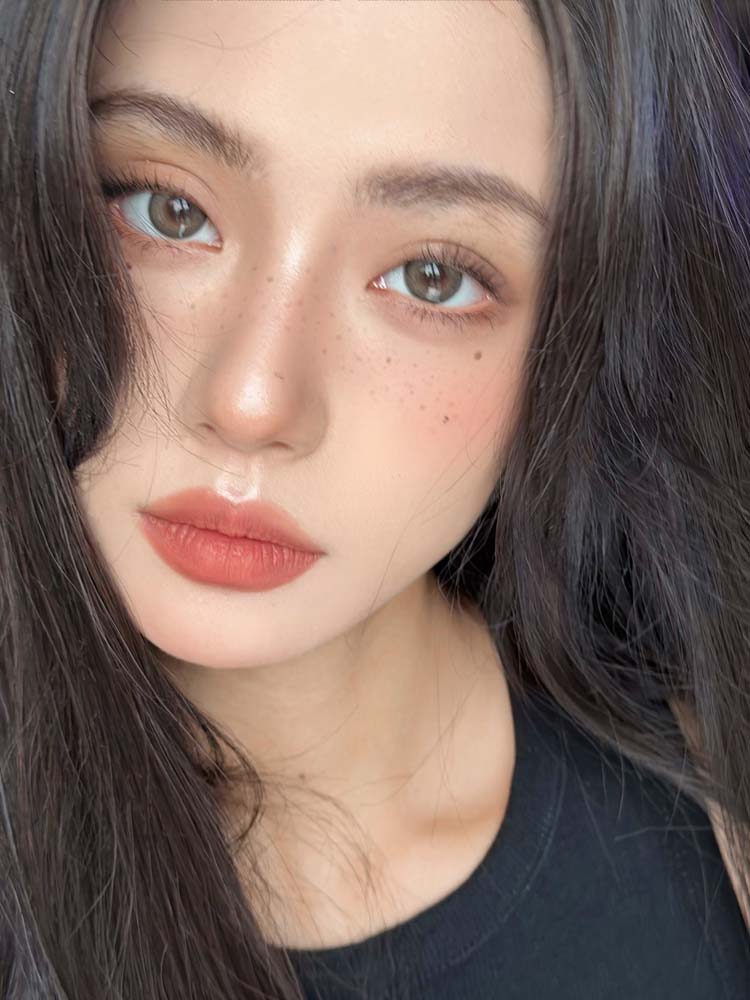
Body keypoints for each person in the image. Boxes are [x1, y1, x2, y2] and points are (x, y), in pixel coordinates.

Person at [1, 0, 749, 996]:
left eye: (432, 277)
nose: (253, 401)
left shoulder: (715, 791)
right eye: (165, 210)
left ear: (577, 343)